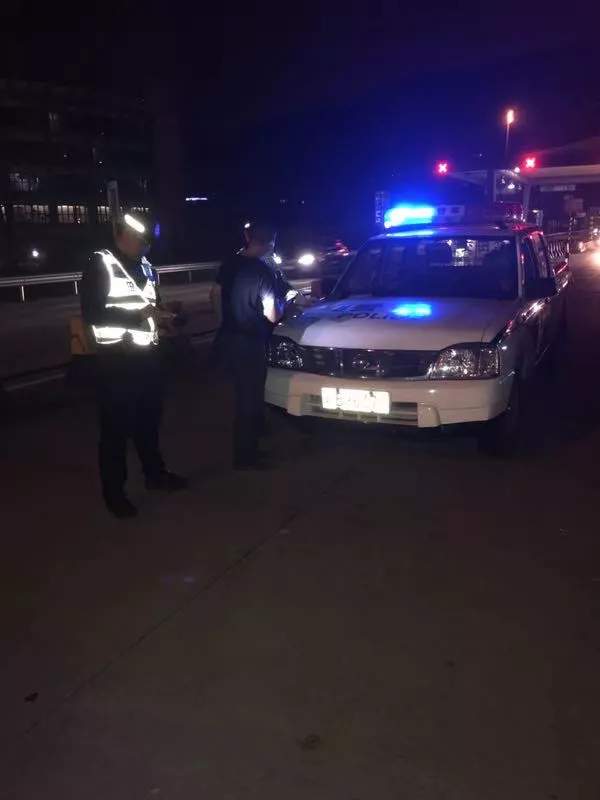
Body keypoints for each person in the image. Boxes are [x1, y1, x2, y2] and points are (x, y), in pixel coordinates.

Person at [80, 211, 187, 518]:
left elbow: (150, 306)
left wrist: (164, 319)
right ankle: (114, 494)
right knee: (115, 432)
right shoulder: (101, 264)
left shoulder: (147, 267)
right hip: (116, 362)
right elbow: (92, 313)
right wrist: (139, 317)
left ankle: (155, 474)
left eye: (149, 243)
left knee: (148, 423)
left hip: (148, 358)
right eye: (142, 242)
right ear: (125, 236)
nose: (146, 248)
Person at [210, 222, 282, 470]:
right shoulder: (263, 271)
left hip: (229, 340)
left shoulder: (230, 263)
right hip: (251, 343)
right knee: (250, 401)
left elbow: (214, 294)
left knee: (242, 396)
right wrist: (284, 305)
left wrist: (223, 322)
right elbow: (272, 314)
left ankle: (248, 450)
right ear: (270, 243)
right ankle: (245, 457)